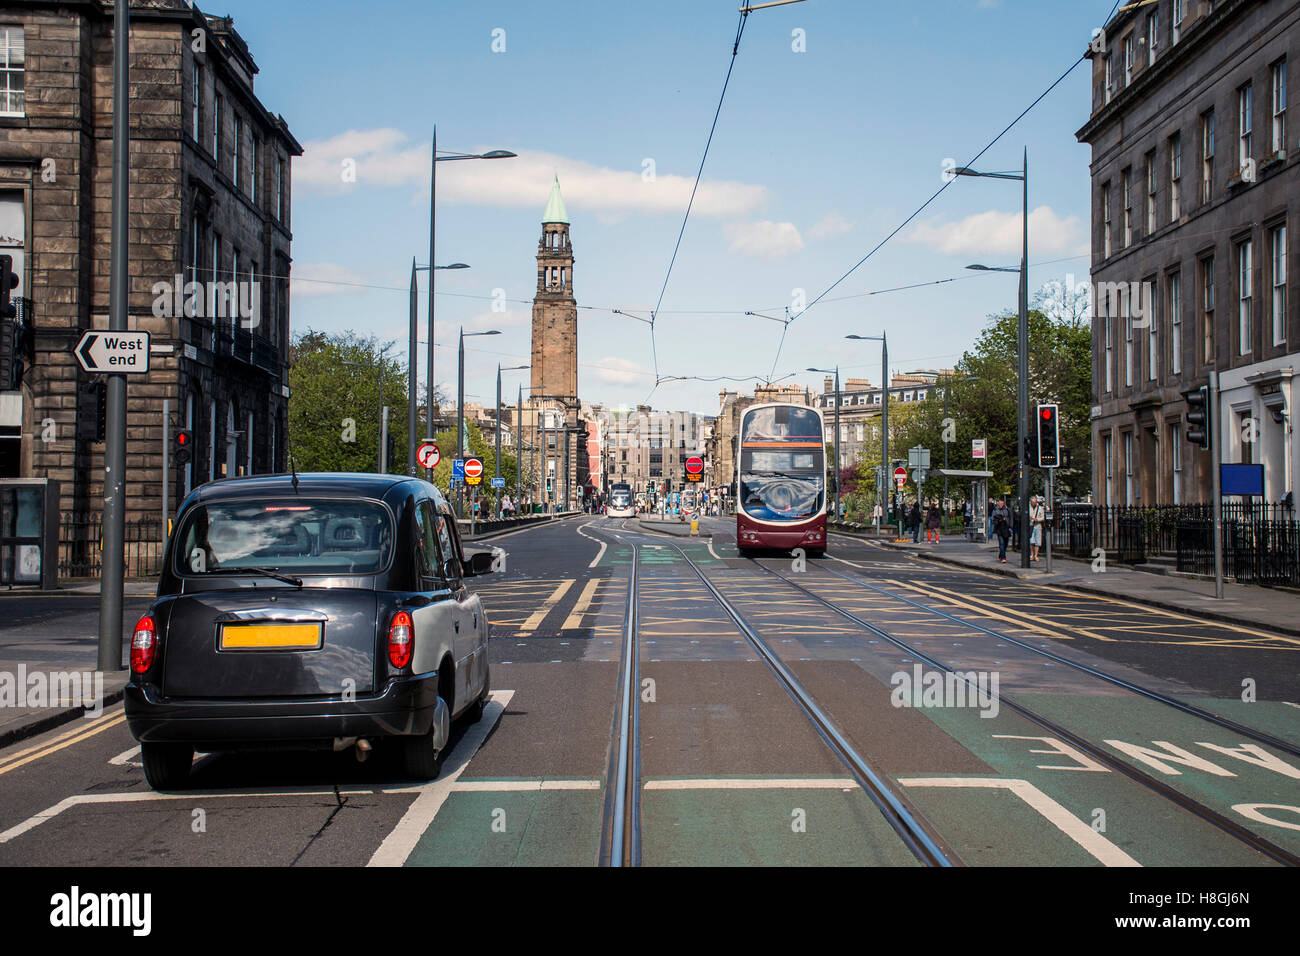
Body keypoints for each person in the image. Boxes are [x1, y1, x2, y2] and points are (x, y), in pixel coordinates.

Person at [992, 498, 1011, 563]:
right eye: (999, 503)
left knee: (1006, 544)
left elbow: (1010, 518)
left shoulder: (1007, 509)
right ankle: (1003, 557)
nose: (1000, 504)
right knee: (1001, 543)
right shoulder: (995, 510)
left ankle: (1001, 554)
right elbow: (993, 520)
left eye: (1002, 503)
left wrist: (1010, 526)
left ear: (1004, 503)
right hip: (999, 528)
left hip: (1006, 528)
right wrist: (999, 520)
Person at [1029, 494, 1046, 562]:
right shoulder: (1028, 508)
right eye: (1032, 502)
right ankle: (1032, 554)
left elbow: (1043, 517)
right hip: (1030, 525)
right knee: (1031, 541)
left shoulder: (1040, 508)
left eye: (1034, 502)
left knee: (1037, 542)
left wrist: (1038, 519)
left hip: (1038, 526)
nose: (1033, 503)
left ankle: (1036, 555)